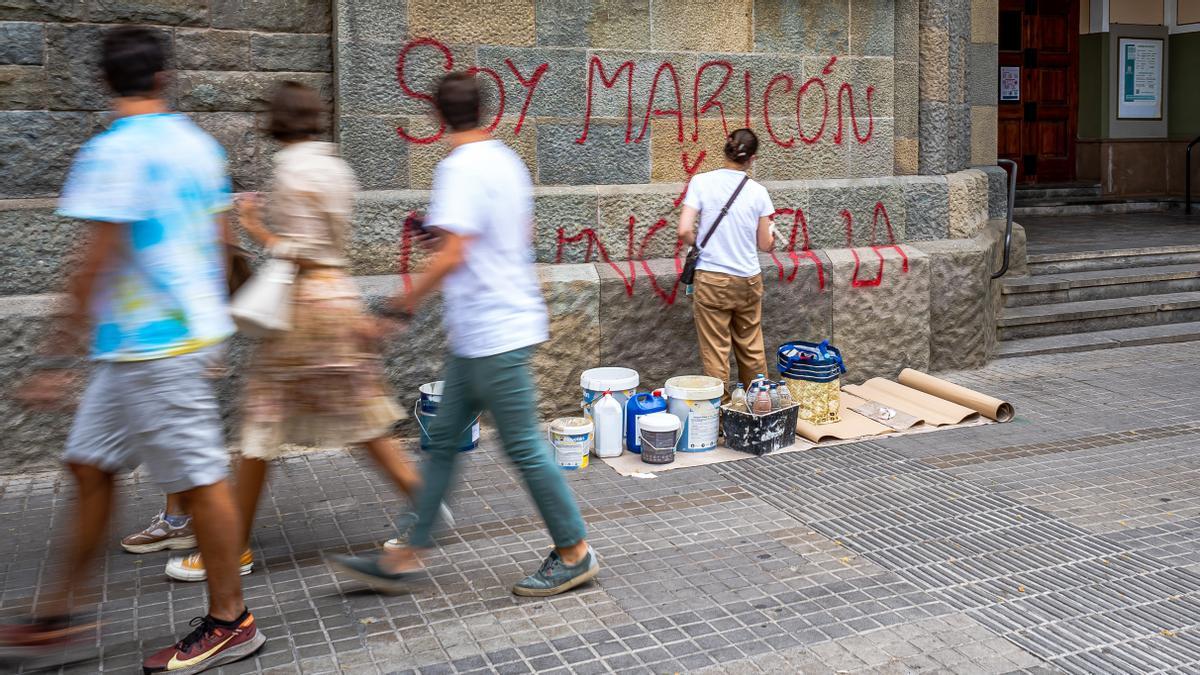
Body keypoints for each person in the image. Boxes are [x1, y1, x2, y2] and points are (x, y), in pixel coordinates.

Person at [0, 26, 265, 673]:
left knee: (201, 480)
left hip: (159, 344)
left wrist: (52, 358)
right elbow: (222, 240)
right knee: (89, 464)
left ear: (105, 81)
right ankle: (59, 613)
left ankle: (231, 620)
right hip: (142, 345)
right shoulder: (198, 145)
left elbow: (91, 262)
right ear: (162, 77)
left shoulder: (112, 152)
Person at [160, 81, 449, 582]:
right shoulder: (336, 167)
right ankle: (424, 503)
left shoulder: (290, 171)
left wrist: (252, 224)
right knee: (361, 418)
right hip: (339, 297)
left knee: (262, 426)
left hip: (303, 309)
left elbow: (295, 250)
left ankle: (230, 551)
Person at [330, 72, 598, 597]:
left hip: (492, 331)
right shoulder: (506, 161)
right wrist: (448, 240)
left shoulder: (457, 169)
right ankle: (407, 553)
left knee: (520, 445)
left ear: (435, 117)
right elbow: (511, 235)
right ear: (485, 111)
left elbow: (454, 255)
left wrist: (399, 303)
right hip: (487, 329)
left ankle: (574, 551)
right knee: (443, 445)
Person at [677, 128, 776, 399]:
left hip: (711, 278)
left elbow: (684, 229)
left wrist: (702, 244)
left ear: (725, 149)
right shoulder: (759, 192)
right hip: (748, 279)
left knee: (716, 351)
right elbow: (766, 244)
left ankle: (718, 417)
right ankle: (759, 406)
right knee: (751, 346)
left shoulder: (701, 182)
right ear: (752, 158)